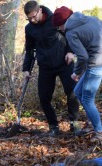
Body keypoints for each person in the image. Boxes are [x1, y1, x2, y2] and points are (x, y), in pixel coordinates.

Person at [23, 0, 81, 136]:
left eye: (33, 16)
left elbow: (70, 35)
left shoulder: (54, 19)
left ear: (40, 11)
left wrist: (71, 51)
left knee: (73, 93)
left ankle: (74, 123)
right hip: (45, 66)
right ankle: (53, 126)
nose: (32, 20)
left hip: (64, 63)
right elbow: (30, 50)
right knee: (44, 97)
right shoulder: (29, 29)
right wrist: (26, 69)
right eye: (29, 18)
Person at [52, 7, 102, 143]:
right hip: (97, 62)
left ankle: (99, 132)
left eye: (58, 27)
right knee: (77, 91)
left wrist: (76, 73)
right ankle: (93, 123)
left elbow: (83, 56)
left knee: (87, 99)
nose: (60, 30)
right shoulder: (91, 19)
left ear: (62, 23)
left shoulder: (70, 32)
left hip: (95, 65)